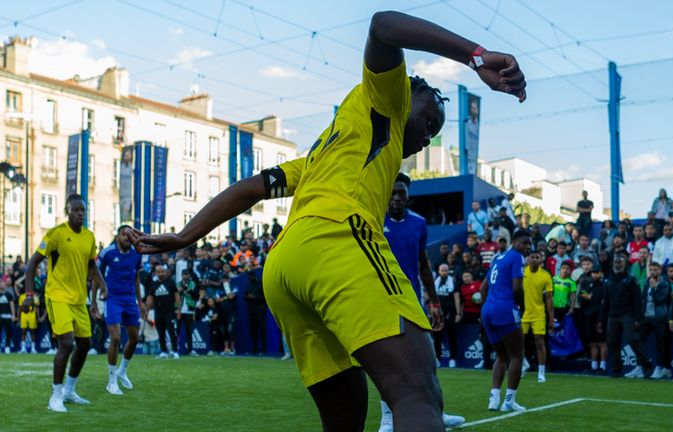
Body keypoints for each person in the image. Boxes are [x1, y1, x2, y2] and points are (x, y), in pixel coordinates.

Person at [128, 11, 527, 430]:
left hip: (285, 268)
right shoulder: (387, 98)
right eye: (428, 121)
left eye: (433, 133)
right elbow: (383, 24)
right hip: (337, 240)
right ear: (406, 96)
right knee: (417, 394)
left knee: (345, 419)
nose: (428, 136)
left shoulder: (325, 152)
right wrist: (477, 57)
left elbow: (251, 188)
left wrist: (186, 236)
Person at [379, 174, 465, 431]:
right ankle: (387, 418)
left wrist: (435, 302)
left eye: (401, 193)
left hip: (412, 297)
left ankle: (436, 411)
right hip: (381, 297)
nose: (396, 198)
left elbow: (423, 265)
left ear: (408, 196)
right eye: (392, 192)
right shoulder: (373, 218)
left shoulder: (418, 223)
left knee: (426, 356)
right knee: (387, 359)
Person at [23, 194, 106, 412]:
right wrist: (30, 294)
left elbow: (92, 266)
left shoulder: (89, 237)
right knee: (67, 344)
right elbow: (32, 264)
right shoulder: (56, 234)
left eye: (83, 211)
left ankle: (70, 389)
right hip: (57, 296)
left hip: (79, 300)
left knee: (86, 344)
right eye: (75, 210)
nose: (80, 213)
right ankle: (56, 395)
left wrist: (103, 285)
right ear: (67, 211)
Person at [481, 229, 531, 412]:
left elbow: (482, 289)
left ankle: (493, 400)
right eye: (525, 242)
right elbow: (517, 289)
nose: (527, 247)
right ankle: (509, 401)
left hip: (488, 311)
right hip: (505, 310)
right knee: (517, 355)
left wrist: (489, 306)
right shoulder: (516, 257)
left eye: (529, 244)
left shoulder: (498, 259)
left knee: (501, 356)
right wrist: (522, 307)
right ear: (515, 241)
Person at [97, 226, 144, 395]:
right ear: (117, 236)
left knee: (134, 338)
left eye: (130, 235)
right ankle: (111, 381)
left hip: (130, 299)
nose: (127, 238)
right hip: (113, 299)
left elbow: (136, 277)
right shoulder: (107, 253)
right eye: (124, 235)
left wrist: (140, 301)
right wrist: (94, 302)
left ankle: (122, 371)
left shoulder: (137, 254)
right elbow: (96, 275)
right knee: (115, 338)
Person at [599, 253, 652, 379]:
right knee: (613, 342)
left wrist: (637, 318)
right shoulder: (608, 280)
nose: (617, 264)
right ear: (613, 264)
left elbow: (637, 300)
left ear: (625, 264)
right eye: (616, 262)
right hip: (612, 316)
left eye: (620, 262)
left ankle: (646, 364)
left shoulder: (631, 280)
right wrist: (601, 320)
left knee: (632, 339)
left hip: (627, 314)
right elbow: (605, 302)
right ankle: (617, 370)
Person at [521, 250, 554, 383]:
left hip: (539, 313)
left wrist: (551, 318)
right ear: (528, 259)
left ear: (541, 260)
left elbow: (549, 299)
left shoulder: (545, 276)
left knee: (539, 343)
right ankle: (522, 365)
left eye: (537, 257)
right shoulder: (522, 272)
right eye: (532, 257)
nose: (534, 259)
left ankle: (541, 372)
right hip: (523, 313)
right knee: (518, 342)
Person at [638, 262, 672, 379]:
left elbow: (659, 300)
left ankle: (659, 368)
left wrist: (653, 289)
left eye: (655, 270)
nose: (652, 272)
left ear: (659, 271)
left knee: (660, 344)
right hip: (646, 317)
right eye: (651, 270)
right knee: (639, 341)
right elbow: (643, 299)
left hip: (659, 318)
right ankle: (640, 367)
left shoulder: (664, 284)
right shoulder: (647, 282)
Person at [145, 265, 180, 359]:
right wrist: (147, 310)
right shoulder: (153, 284)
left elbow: (176, 295)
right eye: (158, 272)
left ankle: (175, 351)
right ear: (155, 273)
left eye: (162, 272)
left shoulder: (170, 282)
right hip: (158, 312)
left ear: (165, 272)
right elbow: (150, 298)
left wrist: (178, 309)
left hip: (170, 311)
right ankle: (163, 351)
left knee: (172, 331)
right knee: (160, 333)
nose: (160, 273)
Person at [581, 265, 607, 373]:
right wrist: (585, 298)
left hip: (600, 317)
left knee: (602, 342)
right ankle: (594, 366)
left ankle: (603, 366)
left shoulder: (604, 286)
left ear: (601, 273)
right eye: (593, 272)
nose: (595, 274)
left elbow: (604, 303)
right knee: (592, 342)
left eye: (597, 272)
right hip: (589, 317)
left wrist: (601, 319)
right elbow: (582, 299)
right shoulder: (587, 284)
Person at [177, 269, 198, 355]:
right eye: (184, 274)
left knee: (189, 330)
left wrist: (188, 290)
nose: (185, 276)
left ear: (189, 275)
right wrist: (181, 290)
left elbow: (196, 295)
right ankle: (175, 348)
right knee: (177, 330)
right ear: (181, 275)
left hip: (189, 310)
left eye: (187, 274)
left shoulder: (193, 283)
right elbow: (176, 294)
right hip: (179, 309)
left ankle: (190, 350)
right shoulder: (178, 284)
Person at [0, 279, 16, 353]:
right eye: (1, 284)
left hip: (7, 316)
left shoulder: (9, 295)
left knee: (8, 333)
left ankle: (7, 347)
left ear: (6, 285)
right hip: (0, 316)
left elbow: (12, 305)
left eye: (4, 284)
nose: (2, 285)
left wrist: (13, 315)